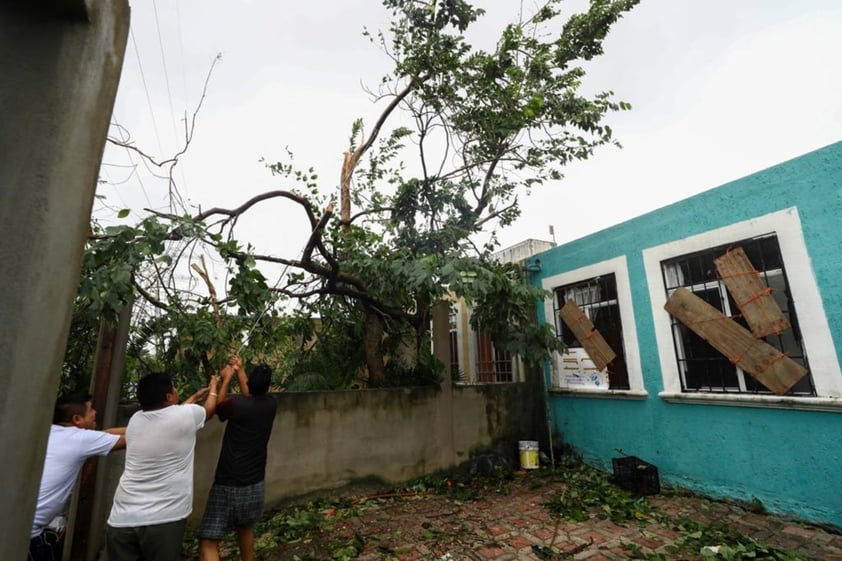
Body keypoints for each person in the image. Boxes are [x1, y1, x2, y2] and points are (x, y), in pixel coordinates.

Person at [105, 367, 228, 561]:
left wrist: (195, 397)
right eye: (174, 388)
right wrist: (214, 387)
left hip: (122, 519)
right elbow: (210, 410)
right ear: (169, 396)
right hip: (163, 519)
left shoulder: (137, 420)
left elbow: (173, 416)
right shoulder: (185, 416)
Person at [29, 392, 126, 561]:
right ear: (77, 419)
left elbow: (106, 433)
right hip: (28, 536)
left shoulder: (50, 432)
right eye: (90, 410)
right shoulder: (80, 440)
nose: (95, 412)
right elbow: (137, 436)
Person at [198, 357, 277, 561]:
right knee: (245, 527)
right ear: (268, 386)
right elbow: (250, 397)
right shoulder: (270, 404)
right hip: (255, 482)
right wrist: (240, 370)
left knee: (208, 540)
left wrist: (226, 378)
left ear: (250, 383)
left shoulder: (237, 405)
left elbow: (219, 407)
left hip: (228, 483)